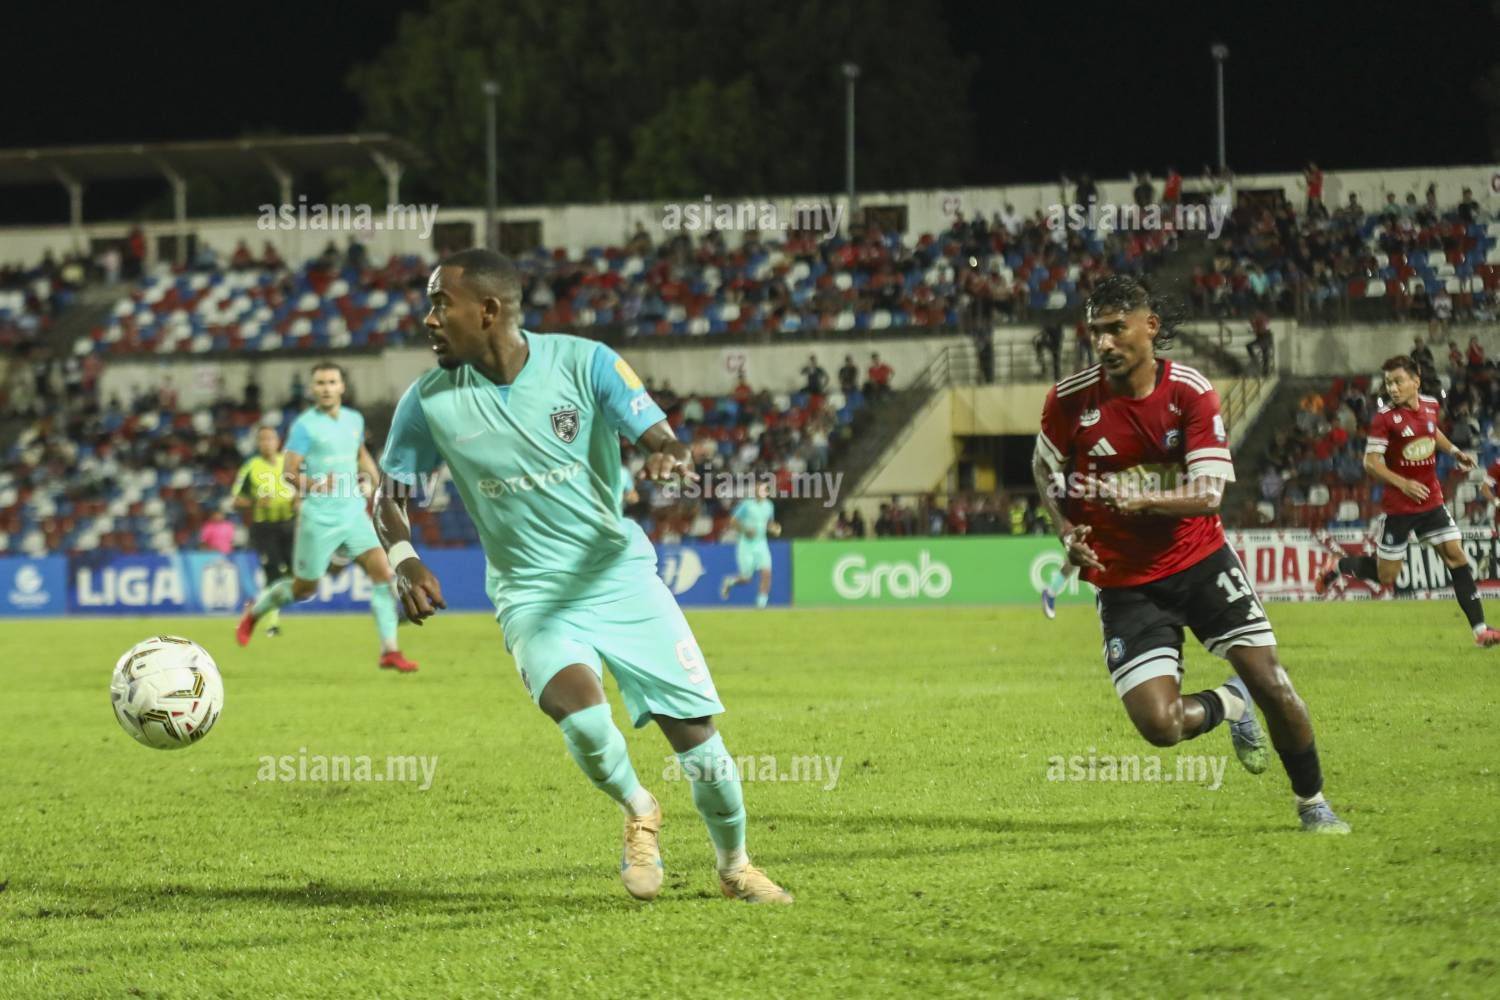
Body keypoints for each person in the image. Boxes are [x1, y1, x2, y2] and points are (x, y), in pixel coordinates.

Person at [373, 249, 792, 904]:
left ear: (488, 311)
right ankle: (639, 809)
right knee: (585, 723)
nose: (428, 320)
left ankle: (735, 866)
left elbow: (663, 438)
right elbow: (388, 496)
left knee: (700, 746)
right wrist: (405, 560)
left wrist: (670, 456)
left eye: (439, 304)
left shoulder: (586, 362)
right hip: (531, 593)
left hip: (618, 576)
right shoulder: (427, 402)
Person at [1032, 274, 1350, 833]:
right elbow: (1042, 466)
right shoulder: (1069, 400)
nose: (1104, 343)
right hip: (1124, 581)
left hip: (1201, 562)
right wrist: (1065, 531)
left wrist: (1141, 500)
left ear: (1149, 327)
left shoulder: (1189, 392)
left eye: (1116, 329)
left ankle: (1313, 803)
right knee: (1160, 726)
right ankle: (1230, 703)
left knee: (1272, 683)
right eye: (1096, 332)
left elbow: (1208, 495)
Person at [235, 363, 418, 672]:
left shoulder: (354, 419)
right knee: (303, 589)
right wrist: (314, 485)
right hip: (318, 517)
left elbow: (359, 454)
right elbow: (289, 472)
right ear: (312, 389)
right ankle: (254, 613)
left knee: (382, 573)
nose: (326, 388)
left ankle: (390, 650)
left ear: (341, 387)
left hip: (353, 513)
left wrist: (377, 484)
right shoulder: (304, 426)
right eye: (320, 383)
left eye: (332, 382)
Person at [1316, 356, 1498, 647]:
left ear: (1416, 381)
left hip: (1431, 501)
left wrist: (1454, 451)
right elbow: (1370, 463)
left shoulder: (1431, 406)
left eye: (1398, 381)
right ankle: (1338, 565)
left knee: (1456, 557)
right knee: (1386, 576)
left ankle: (1480, 631)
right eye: (1389, 383)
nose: (1392, 388)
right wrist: (1403, 484)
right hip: (1399, 508)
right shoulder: (1384, 418)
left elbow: (1431, 432)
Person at [232, 425, 299, 637]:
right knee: (272, 573)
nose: (267, 443)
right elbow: (236, 500)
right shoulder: (251, 467)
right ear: (258, 444)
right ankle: (272, 624)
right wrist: (255, 501)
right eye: (262, 439)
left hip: (289, 525)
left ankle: (257, 605)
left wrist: (298, 499)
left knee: (295, 573)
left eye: (270, 439)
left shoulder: (288, 463)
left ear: (278, 442)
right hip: (264, 528)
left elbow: (303, 488)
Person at [719, 480, 779, 608]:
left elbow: (769, 523)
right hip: (746, 544)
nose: (759, 492)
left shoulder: (769, 506)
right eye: (757, 490)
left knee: (766, 573)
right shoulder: (747, 505)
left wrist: (774, 528)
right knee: (747, 578)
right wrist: (745, 530)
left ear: (767, 492)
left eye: (762, 490)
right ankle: (730, 582)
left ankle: (761, 604)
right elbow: (733, 521)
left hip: (761, 543)